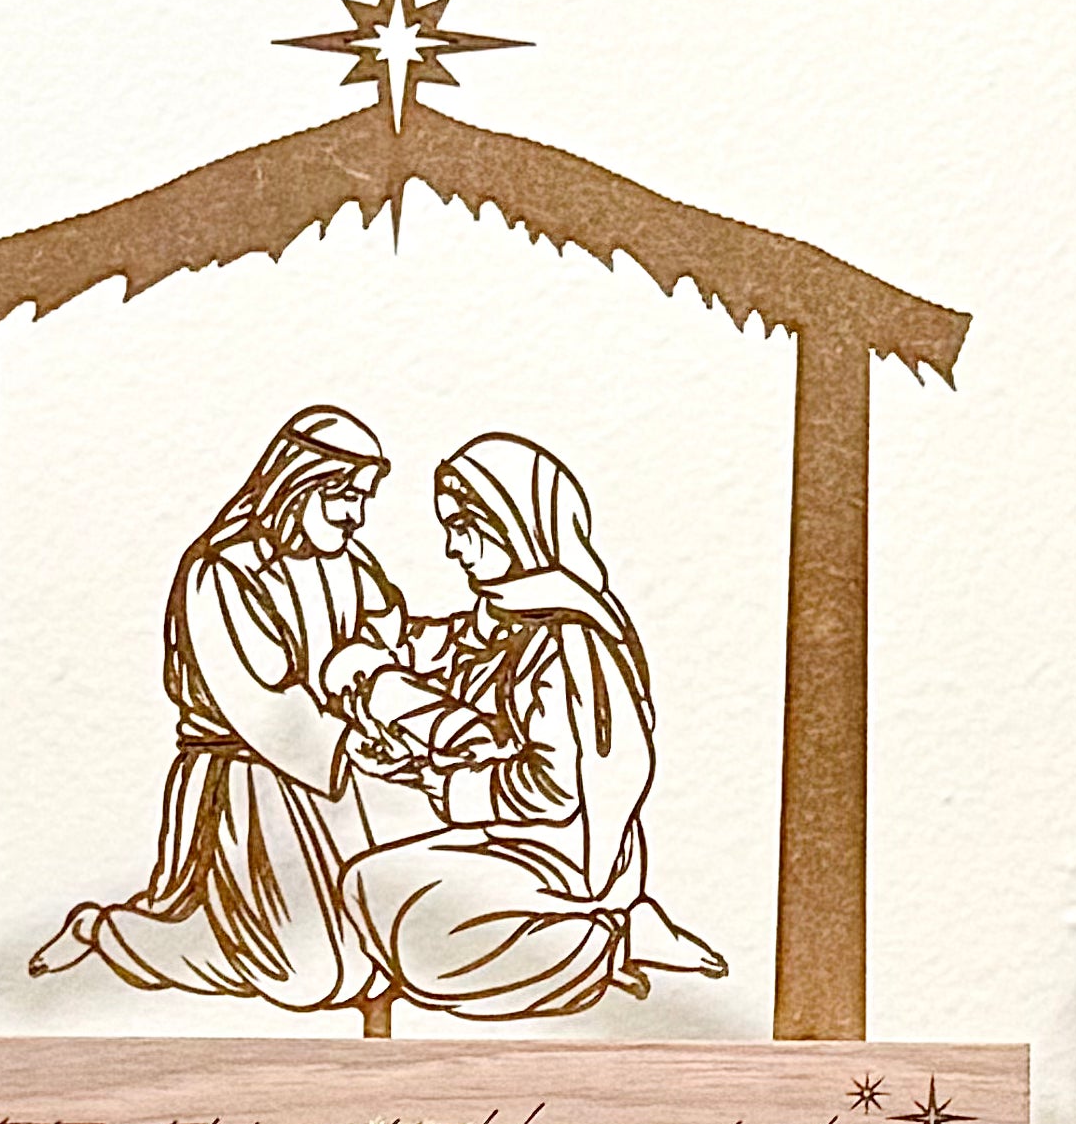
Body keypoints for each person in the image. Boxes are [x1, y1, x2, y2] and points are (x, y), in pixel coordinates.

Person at [35, 405, 416, 1013]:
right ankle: (109, 932)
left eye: (364, 499)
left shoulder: (351, 561)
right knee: (311, 977)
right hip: (247, 784)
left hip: (336, 782)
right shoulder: (223, 569)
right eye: (343, 497)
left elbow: (388, 631)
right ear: (298, 484)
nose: (356, 515)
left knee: (373, 960)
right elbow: (264, 703)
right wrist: (356, 734)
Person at [347, 432, 720, 1018]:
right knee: (368, 885)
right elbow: (443, 648)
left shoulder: (567, 639)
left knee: (416, 929)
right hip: (513, 840)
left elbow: (553, 787)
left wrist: (442, 783)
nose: (452, 548)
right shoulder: (504, 616)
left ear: (515, 525)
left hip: (566, 854)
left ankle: (608, 943)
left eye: (466, 527)